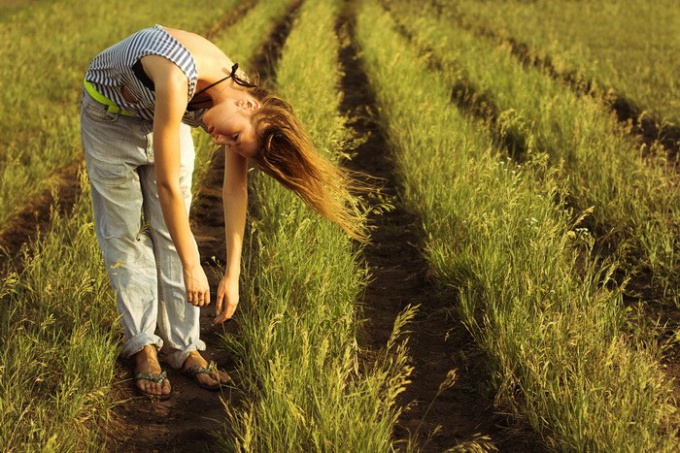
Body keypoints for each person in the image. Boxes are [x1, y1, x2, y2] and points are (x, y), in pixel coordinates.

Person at [81, 25, 365, 399]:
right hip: (110, 119)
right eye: (233, 137)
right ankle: (143, 347)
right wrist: (192, 265)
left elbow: (235, 188)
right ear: (247, 106)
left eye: (233, 143)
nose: (220, 141)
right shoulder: (176, 72)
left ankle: (185, 348)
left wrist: (232, 274)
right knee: (127, 235)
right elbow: (167, 187)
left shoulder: (238, 99)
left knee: (173, 232)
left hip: (168, 116)